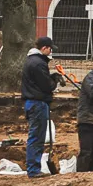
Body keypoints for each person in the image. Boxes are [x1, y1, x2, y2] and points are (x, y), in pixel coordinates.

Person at [20, 36, 62, 178]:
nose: (50, 52)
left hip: (33, 102)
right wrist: (54, 80)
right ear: (44, 48)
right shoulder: (38, 63)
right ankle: (33, 169)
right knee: (37, 137)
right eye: (50, 49)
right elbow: (46, 85)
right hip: (37, 103)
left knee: (36, 135)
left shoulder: (31, 61)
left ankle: (34, 168)